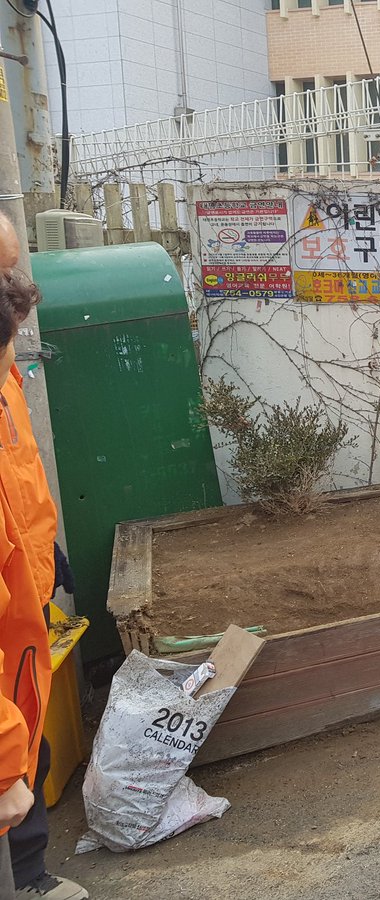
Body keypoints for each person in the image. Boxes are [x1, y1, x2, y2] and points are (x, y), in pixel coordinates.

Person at [0, 216, 86, 900]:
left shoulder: (4, 377)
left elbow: (21, 481)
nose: (25, 292)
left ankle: (31, 875)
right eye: (4, 278)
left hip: (22, 620)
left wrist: (46, 553)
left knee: (36, 752)